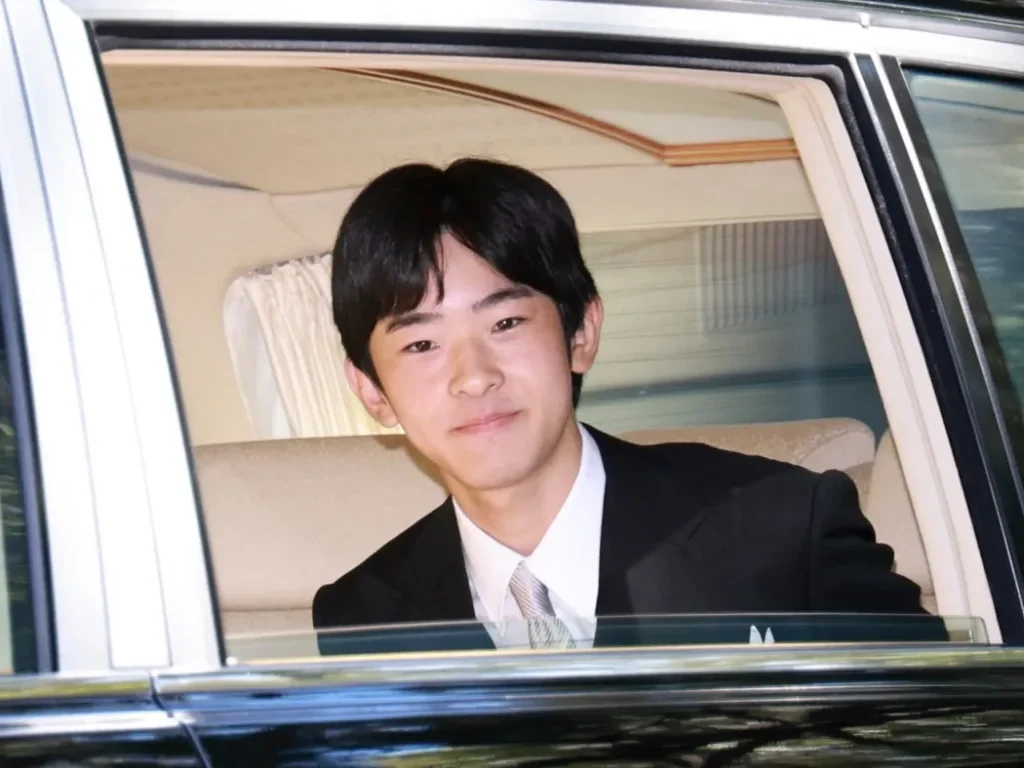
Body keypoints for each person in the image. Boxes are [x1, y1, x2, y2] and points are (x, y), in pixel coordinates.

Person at [312, 158, 929, 651]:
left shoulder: (784, 527)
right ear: (371, 390)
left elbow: (941, 732)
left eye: (504, 323)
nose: (472, 377)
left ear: (580, 334)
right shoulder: (359, 615)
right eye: (421, 343)